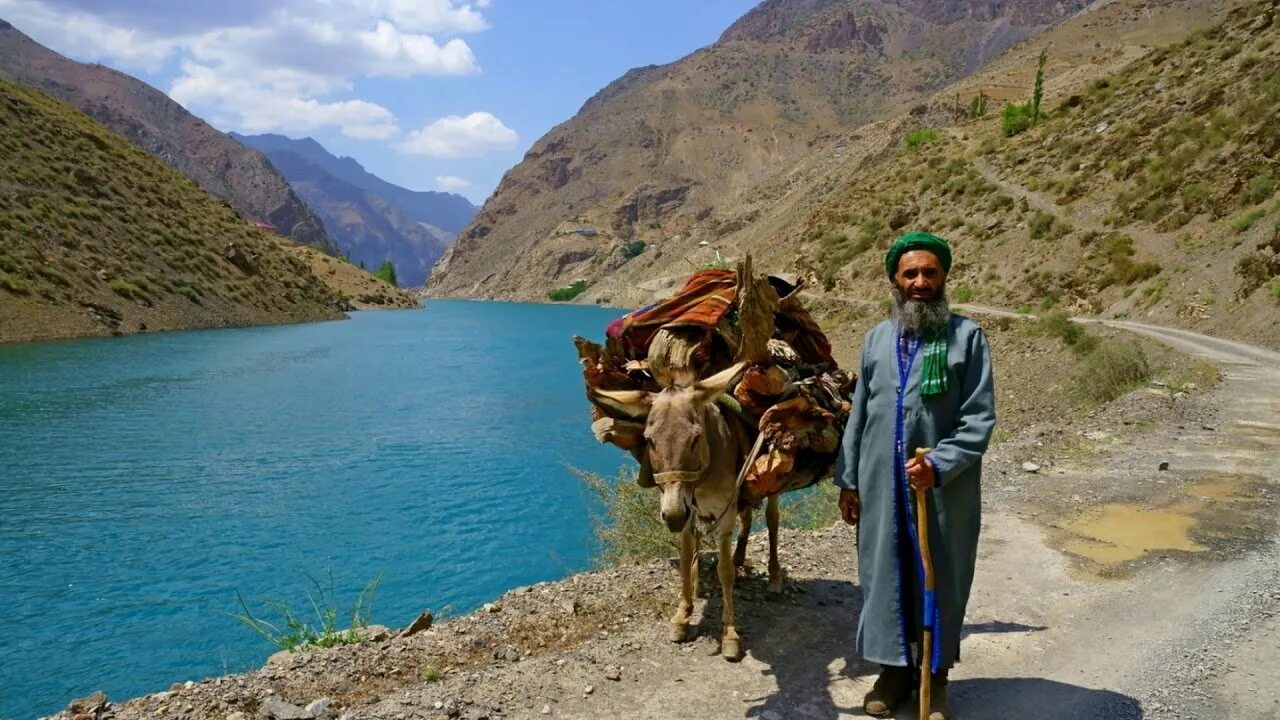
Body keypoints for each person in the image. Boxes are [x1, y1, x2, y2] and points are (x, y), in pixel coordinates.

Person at [835, 230, 996, 720]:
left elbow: (978, 418)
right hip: (882, 485)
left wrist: (939, 464)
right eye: (911, 273)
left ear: (944, 277)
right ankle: (894, 670)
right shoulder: (875, 340)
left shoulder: (967, 338)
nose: (920, 281)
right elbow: (860, 414)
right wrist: (849, 479)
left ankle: (936, 675)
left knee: (939, 574)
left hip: (943, 491)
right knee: (884, 575)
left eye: (930, 272)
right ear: (894, 281)